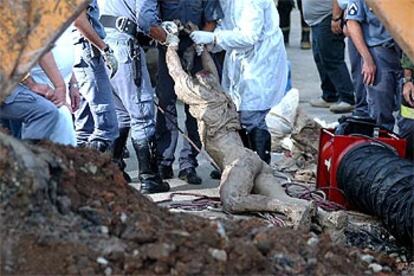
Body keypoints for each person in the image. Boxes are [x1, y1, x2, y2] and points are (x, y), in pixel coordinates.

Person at [190, 0, 288, 164]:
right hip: (241, 59)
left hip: (260, 60)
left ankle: (261, 166)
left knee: (251, 115)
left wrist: (214, 37)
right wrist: (211, 42)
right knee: (238, 114)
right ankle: (242, 163)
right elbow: (229, 25)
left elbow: (249, 36)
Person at [98, 0, 173, 194]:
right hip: (124, 47)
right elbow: (147, 21)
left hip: (101, 45)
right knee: (142, 114)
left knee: (120, 113)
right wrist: (168, 39)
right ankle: (150, 178)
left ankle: (113, 171)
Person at [155, 0, 223, 185]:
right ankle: (163, 162)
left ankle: (188, 164)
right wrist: (167, 36)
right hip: (169, 50)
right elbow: (152, 18)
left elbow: (211, 20)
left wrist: (199, 39)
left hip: (196, 50)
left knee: (196, 108)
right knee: (166, 104)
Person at [347, 0, 414, 160]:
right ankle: (383, 158)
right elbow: (352, 24)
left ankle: (407, 153)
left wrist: (409, 76)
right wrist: (367, 59)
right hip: (379, 54)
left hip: (406, 56)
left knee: (409, 112)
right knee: (380, 112)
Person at [73, 0, 119, 152]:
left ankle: (75, 172)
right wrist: (104, 48)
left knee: (85, 127)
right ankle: (95, 173)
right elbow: (78, 20)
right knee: (106, 127)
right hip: (87, 52)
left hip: (78, 52)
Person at [302, 0, 355, 113]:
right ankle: (329, 95)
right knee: (320, 58)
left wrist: (336, 18)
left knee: (332, 59)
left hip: (328, 16)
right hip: (317, 20)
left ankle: (348, 98)